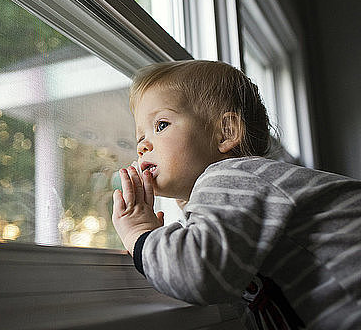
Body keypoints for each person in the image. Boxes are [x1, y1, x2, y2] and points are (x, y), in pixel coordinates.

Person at [112, 60, 361, 330]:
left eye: (160, 125)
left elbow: (200, 272)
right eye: (139, 138)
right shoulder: (238, 197)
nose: (143, 146)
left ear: (226, 132)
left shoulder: (233, 175)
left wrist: (140, 234)